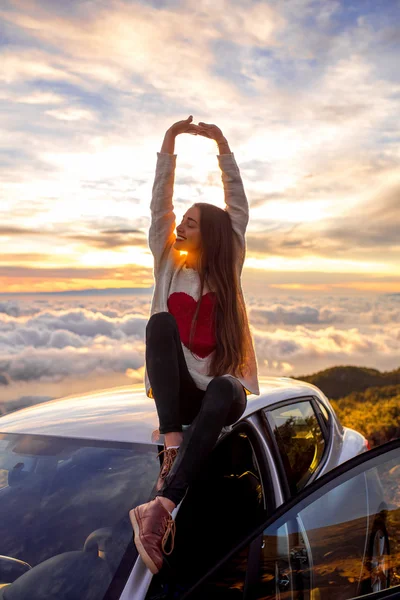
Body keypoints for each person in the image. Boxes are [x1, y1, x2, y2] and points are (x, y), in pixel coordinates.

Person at [129, 116, 260, 575]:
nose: (180, 227)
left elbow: (238, 209)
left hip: (218, 396)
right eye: (181, 221)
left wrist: (223, 144)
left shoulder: (228, 269)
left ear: (212, 235)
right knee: (160, 322)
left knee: (225, 387)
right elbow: (158, 206)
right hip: (180, 396)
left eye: (191, 223)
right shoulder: (168, 265)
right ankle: (169, 468)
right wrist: (169, 141)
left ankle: (160, 502)